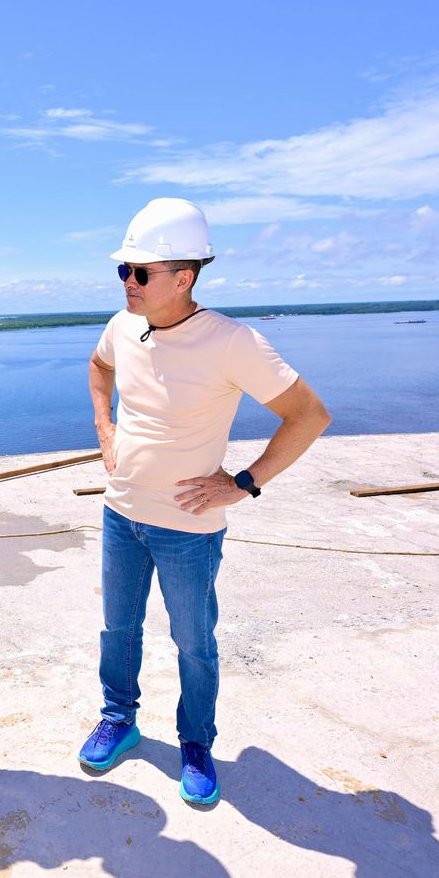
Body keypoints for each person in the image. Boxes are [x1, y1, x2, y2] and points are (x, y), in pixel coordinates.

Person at [77, 198, 331, 805]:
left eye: (140, 272)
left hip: (188, 529)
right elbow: (98, 367)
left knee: (194, 642)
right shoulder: (123, 326)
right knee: (118, 628)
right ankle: (119, 718)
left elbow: (309, 415)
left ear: (183, 277)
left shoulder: (232, 342)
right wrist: (105, 428)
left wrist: (244, 482)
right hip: (121, 514)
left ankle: (195, 743)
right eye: (123, 270)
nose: (127, 281)